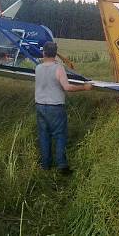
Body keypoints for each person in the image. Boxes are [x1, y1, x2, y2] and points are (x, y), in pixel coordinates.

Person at [35, 41, 92, 175]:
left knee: (44, 136)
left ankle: (45, 166)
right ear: (55, 54)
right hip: (55, 107)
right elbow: (67, 87)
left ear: (43, 53)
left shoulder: (38, 68)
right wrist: (85, 87)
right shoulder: (58, 68)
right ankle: (61, 166)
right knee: (60, 136)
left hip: (39, 106)